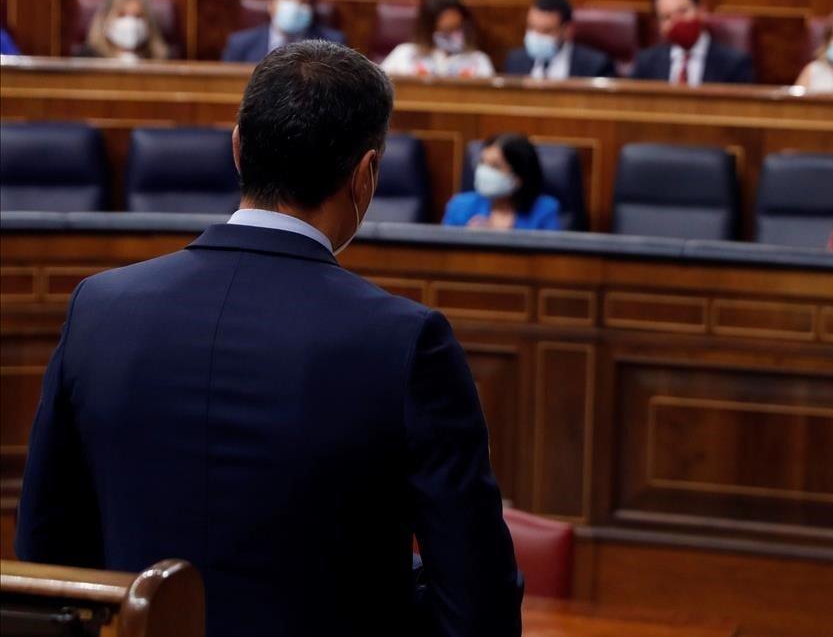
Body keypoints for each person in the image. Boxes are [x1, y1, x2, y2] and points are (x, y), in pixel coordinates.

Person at [16, 41, 522, 637]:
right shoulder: (406, 341)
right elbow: (476, 603)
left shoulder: (100, 308)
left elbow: (46, 557)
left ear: (237, 147)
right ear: (366, 174)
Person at [630, 0, 754, 85]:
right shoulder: (645, 63)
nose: (677, 22)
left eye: (683, 11)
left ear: (701, 11)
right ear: (660, 27)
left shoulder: (734, 64)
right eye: (666, 17)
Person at [221, 0, 345, 63]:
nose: (294, 6)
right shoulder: (240, 44)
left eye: (303, 1)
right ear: (271, 3)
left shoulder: (333, 45)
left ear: (311, 8)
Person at [444, 134, 560, 230]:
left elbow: (550, 256)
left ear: (519, 177)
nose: (484, 171)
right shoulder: (460, 206)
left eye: (495, 166)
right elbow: (444, 255)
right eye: (482, 162)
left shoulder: (545, 210)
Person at [381, 0, 494, 77]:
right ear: (427, 27)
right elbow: (376, 91)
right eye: (444, 31)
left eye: (455, 29)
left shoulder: (479, 61)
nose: (450, 38)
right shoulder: (403, 55)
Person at [503, 0, 615, 80]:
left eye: (546, 31)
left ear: (567, 30)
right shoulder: (515, 61)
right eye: (532, 28)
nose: (537, 36)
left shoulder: (596, 65)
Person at [74, 0, 169, 60]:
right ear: (105, 17)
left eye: (138, 16)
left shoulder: (162, 60)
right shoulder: (85, 60)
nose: (130, 23)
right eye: (121, 14)